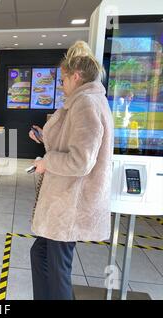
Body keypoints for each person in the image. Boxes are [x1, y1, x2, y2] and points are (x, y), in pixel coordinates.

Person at [29, 41, 114, 300]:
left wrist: (46, 162)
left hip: (68, 207)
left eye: (63, 79)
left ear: (76, 76)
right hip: (64, 205)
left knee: (56, 270)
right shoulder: (84, 101)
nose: (60, 85)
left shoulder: (85, 103)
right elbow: (74, 143)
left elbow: (80, 161)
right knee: (41, 256)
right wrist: (46, 138)